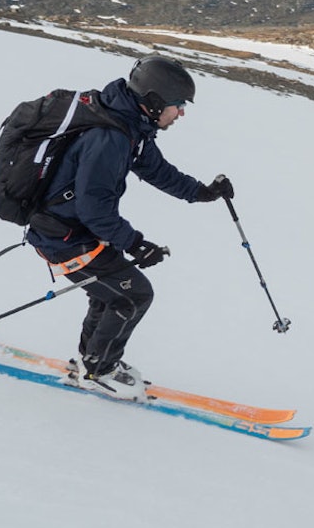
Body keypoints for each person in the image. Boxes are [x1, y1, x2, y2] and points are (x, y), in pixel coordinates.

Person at [25, 54, 233, 400]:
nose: (181, 112)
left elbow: (156, 170)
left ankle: (90, 360)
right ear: (154, 102)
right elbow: (93, 207)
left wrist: (202, 192)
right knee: (134, 295)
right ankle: (99, 370)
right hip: (62, 235)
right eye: (178, 105)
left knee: (110, 291)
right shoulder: (111, 138)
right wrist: (135, 243)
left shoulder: (129, 125)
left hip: (74, 230)